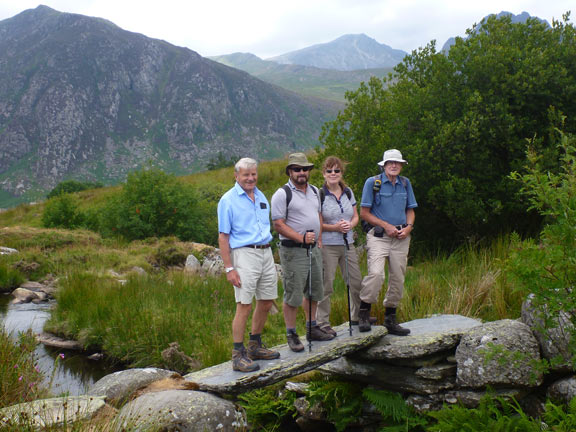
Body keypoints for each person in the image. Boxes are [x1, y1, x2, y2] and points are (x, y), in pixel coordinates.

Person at [217, 157, 280, 372]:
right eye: (246, 175)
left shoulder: (261, 196)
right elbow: (223, 237)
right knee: (244, 304)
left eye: (253, 174)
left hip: (265, 252)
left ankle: (254, 345)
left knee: (266, 300)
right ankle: (237, 355)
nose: (250, 178)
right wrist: (229, 268)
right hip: (244, 255)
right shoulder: (228, 200)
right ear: (236, 176)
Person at [271, 152, 335, 352]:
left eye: (305, 169)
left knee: (315, 290)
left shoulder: (316, 191)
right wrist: (301, 238)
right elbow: (278, 224)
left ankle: (311, 327)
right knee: (293, 294)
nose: (301, 172)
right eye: (297, 169)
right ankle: (291, 333)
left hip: (313, 248)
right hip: (293, 251)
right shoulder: (282, 194)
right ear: (290, 171)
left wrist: (319, 238)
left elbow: (317, 216)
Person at [358, 149, 417, 335]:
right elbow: (364, 213)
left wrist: (408, 227)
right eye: (390, 162)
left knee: (398, 278)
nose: (393, 165)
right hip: (379, 236)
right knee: (376, 275)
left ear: (401, 165)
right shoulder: (372, 183)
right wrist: (386, 225)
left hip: (401, 237)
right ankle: (364, 313)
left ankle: (391, 318)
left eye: (397, 163)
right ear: (383, 165)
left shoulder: (405, 184)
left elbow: (411, 210)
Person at [317, 156, 364, 336]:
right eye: (329, 171)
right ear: (324, 173)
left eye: (336, 170)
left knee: (355, 281)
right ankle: (322, 322)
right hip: (328, 245)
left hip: (347, 243)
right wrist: (335, 227)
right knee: (326, 284)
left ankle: (357, 316)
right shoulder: (319, 194)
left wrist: (351, 225)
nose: (333, 174)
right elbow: (318, 223)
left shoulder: (348, 192)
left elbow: (356, 216)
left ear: (341, 173)